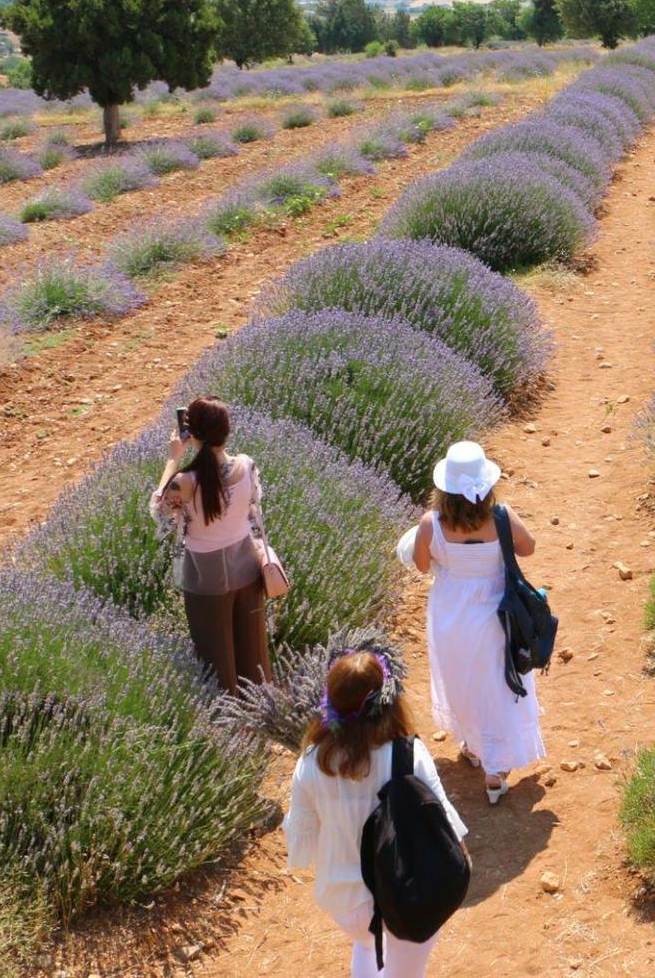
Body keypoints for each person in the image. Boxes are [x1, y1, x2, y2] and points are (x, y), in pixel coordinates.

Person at [285, 647, 468, 978]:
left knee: (368, 945)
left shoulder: (310, 762)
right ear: (387, 701)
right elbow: (445, 823)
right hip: (404, 893)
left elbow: (302, 840)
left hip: (343, 900)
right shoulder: (409, 754)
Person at [400, 441, 546, 806]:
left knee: (462, 680)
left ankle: (474, 748)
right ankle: (495, 772)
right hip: (498, 613)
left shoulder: (431, 524)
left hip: (452, 616)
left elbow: (420, 565)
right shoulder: (501, 517)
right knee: (500, 684)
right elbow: (528, 547)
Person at [151, 396, 271, 695]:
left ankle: (228, 723)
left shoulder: (185, 481)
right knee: (253, 649)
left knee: (216, 655)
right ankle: (263, 712)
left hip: (205, 577)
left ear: (191, 433)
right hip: (247, 567)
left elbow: (159, 511)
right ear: (227, 430)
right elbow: (253, 507)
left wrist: (172, 459)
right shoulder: (246, 465)